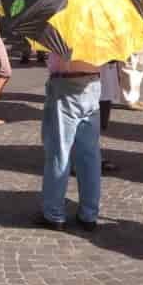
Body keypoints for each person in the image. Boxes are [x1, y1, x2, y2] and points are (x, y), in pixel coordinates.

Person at [37, 44, 103, 232]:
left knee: (59, 151)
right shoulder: (101, 21)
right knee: (89, 155)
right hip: (92, 82)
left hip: (65, 83)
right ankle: (89, 214)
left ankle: (54, 213)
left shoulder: (65, 21)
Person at [115, 0, 143, 111]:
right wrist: (138, 6)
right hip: (132, 31)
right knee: (128, 66)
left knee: (141, 65)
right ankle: (128, 99)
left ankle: (135, 97)